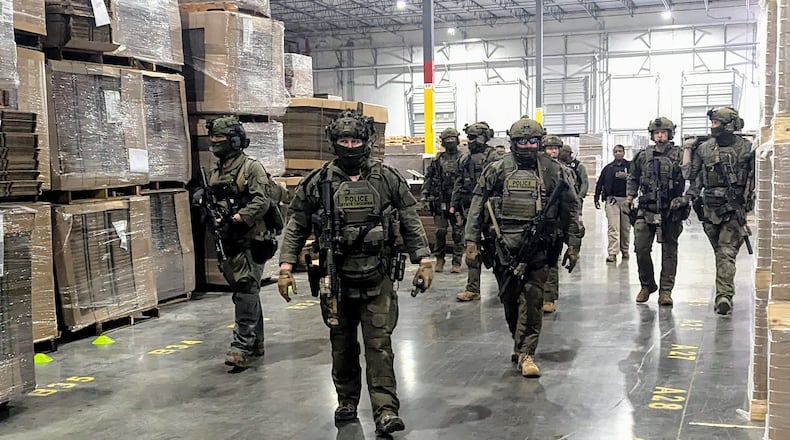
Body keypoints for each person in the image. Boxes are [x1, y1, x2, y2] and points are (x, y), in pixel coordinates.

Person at [276, 110, 433, 435]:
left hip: (378, 277)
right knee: (342, 345)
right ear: (334, 143)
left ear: (366, 142)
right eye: (344, 140)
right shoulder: (318, 183)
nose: (350, 146)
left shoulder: (387, 178)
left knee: (380, 346)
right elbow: (295, 226)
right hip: (337, 280)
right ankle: (346, 402)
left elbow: (410, 220)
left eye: (356, 140)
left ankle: (386, 410)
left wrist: (424, 260)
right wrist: (286, 267)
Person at [465, 117, 581, 377]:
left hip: (540, 247)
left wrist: (573, 244)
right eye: (521, 142)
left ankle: (528, 353)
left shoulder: (555, 171)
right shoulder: (497, 169)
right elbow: (477, 204)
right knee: (509, 299)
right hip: (503, 246)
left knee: (532, 297)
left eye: (532, 142)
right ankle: (519, 342)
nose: (527, 147)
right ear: (512, 143)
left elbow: (571, 209)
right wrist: (471, 240)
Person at [193, 115, 283, 369]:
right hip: (230, 239)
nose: (214, 142)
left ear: (234, 140)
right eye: (212, 138)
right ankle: (256, 343)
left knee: (245, 288)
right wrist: (200, 196)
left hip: (255, 238)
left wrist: (237, 218)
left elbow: (261, 201)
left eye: (219, 138)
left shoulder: (251, 168)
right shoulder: (216, 172)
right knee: (246, 290)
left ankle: (241, 345)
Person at [684, 107, 755, 315]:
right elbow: (691, 175)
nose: (712, 127)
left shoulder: (746, 148)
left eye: (716, 123)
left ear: (730, 126)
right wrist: (688, 151)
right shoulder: (704, 149)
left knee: (726, 252)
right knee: (720, 253)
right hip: (709, 211)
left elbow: (755, 178)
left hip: (733, 211)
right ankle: (724, 289)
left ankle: (724, 296)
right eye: (712, 123)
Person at [625, 117, 687, 306]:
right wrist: (629, 197)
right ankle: (647, 285)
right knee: (641, 248)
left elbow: (690, 175)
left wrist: (684, 198)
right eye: (657, 133)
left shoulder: (680, 155)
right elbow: (633, 177)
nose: (660, 136)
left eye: (663, 133)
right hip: (647, 209)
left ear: (670, 134)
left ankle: (666, 291)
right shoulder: (643, 156)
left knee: (669, 251)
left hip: (671, 211)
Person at [451, 121, 500, 302]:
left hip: (489, 212)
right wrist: (453, 205)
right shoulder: (464, 159)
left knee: (495, 250)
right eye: (468, 138)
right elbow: (459, 183)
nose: (470, 141)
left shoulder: (493, 158)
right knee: (471, 249)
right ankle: (473, 289)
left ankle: (504, 286)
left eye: (473, 138)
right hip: (469, 210)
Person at [539, 135, 577, 314]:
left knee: (551, 262)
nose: (552, 151)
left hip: (554, 223)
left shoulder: (563, 171)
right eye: (549, 148)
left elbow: (571, 203)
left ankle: (549, 297)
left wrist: (572, 237)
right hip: (533, 222)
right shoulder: (534, 169)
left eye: (555, 148)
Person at [421, 128, 463, 273]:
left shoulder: (464, 158)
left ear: (457, 140)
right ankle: (440, 258)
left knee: (458, 233)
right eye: (447, 139)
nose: (450, 142)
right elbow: (429, 177)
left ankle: (456, 262)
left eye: (452, 139)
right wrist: (424, 194)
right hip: (440, 200)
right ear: (443, 141)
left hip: (458, 202)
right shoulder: (437, 159)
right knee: (440, 231)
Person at [594, 144, 632, 263]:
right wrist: (596, 198)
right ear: (613, 153)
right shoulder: (608, 168)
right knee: (613, 228)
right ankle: (612, 253)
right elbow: (600, 183)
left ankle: (625, 250)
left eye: (620, 151)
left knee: (625, 228)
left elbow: (638, 181)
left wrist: (628, 177)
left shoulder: (630, 167)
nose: (618, 153)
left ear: (624, 152)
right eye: (615, 151)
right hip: (612, 201)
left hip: (627, 200)